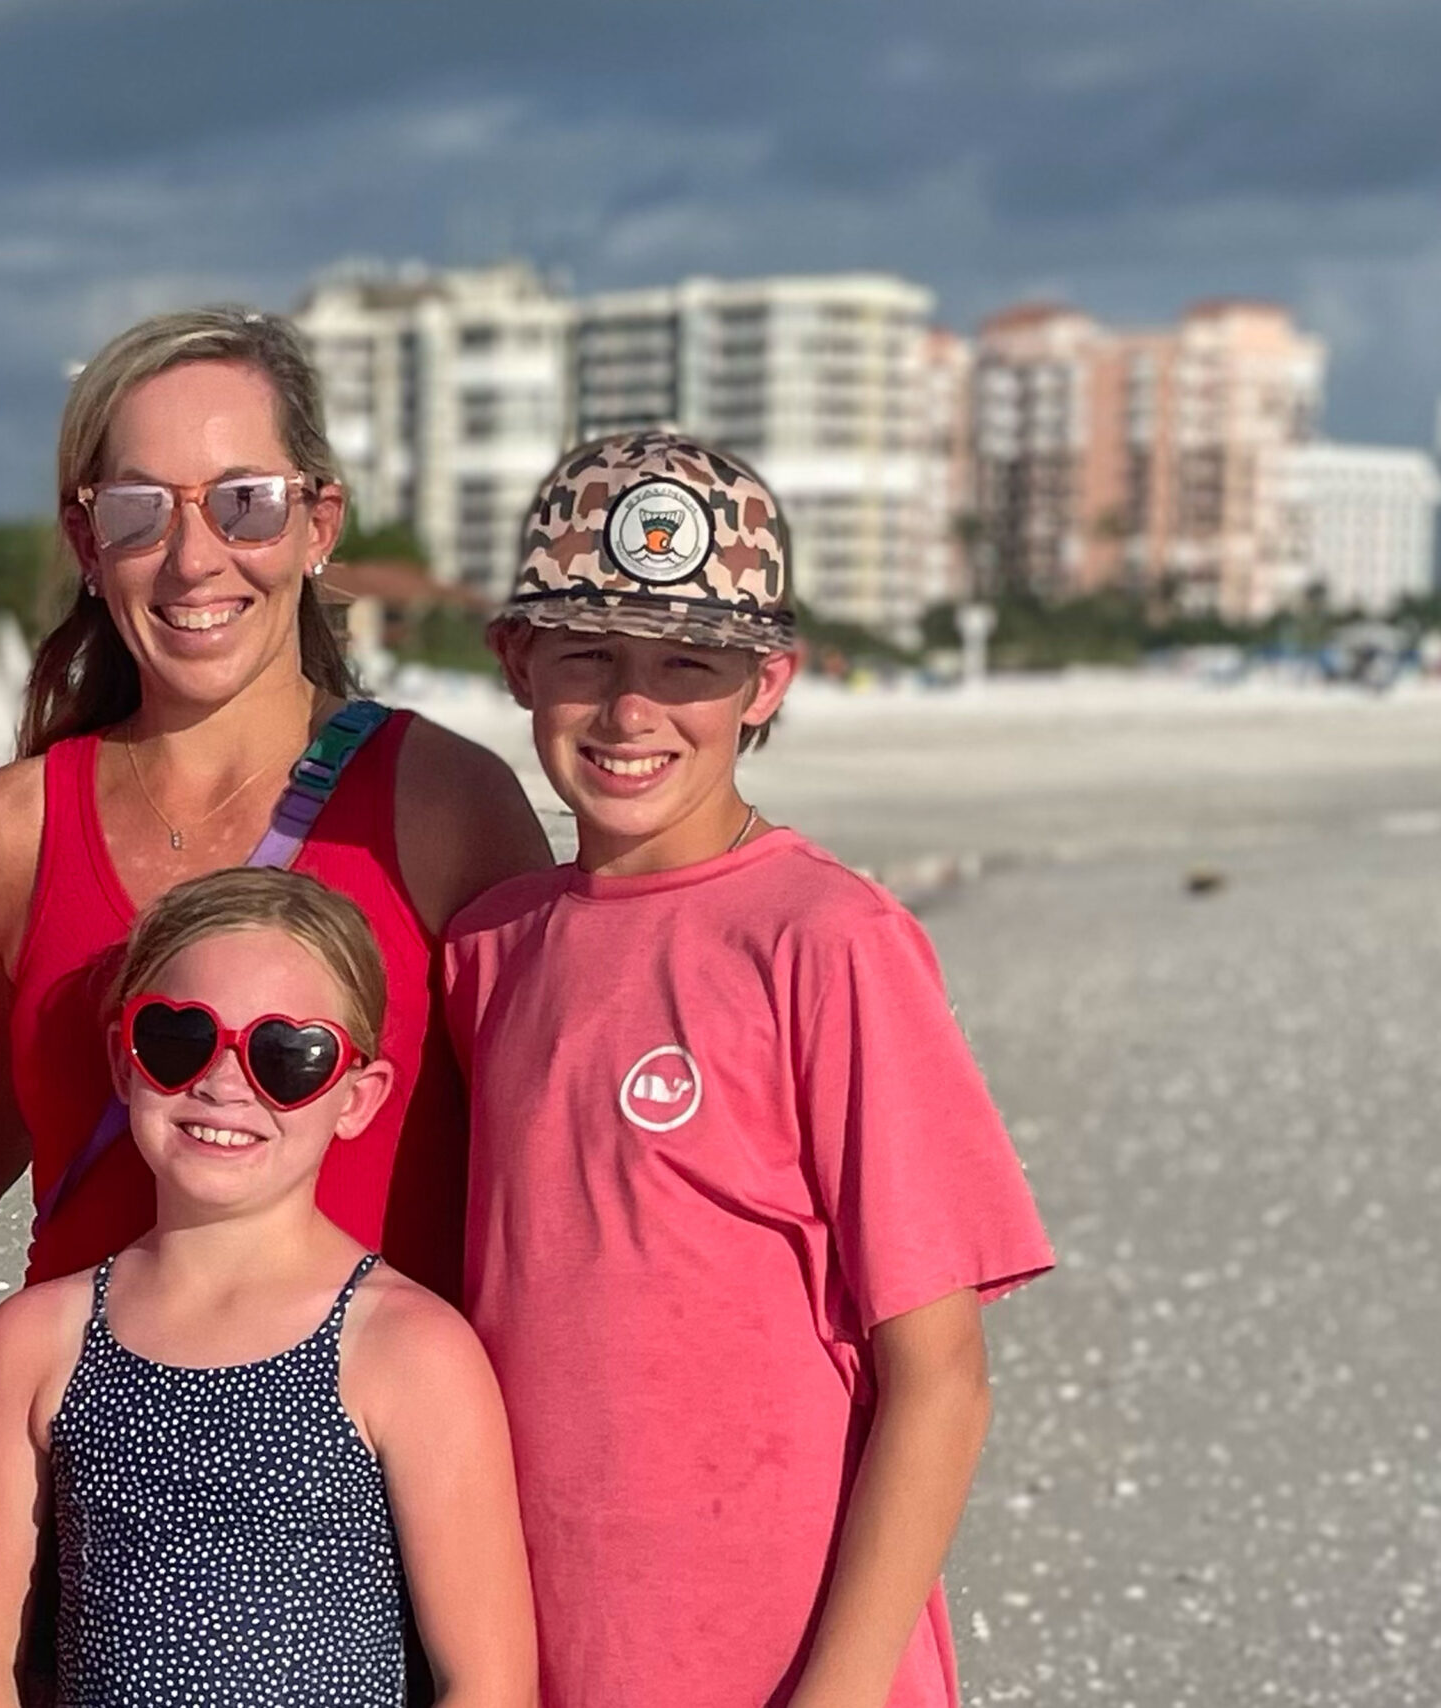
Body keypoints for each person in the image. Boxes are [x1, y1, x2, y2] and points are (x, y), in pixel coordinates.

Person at [443, 431, 1058, 1708]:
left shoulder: (829, 940)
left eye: (688, 666)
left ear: (767, 681)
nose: (629, 710)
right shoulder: (486, 946)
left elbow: (939, 1380)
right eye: (588, 655)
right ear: (515, 661)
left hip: (784, 1662)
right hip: (547, 1652)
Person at [0, 307, 548, 1302]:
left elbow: (558, 1183)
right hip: (88, 1450)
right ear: (86, 541)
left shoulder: (442, 806)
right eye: (140, 509)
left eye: (246, 503)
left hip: (382, 1447)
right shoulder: (11, 832)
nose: (193, 559)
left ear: (318, 524)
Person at [0, 868, 535, 1708]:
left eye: (288, 1056)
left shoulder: (409, 1347)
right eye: (179, 1040)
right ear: (123, 1058)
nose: (224, 1083)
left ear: (357, 1097)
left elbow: (487, 1681)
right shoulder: (39, 1339)